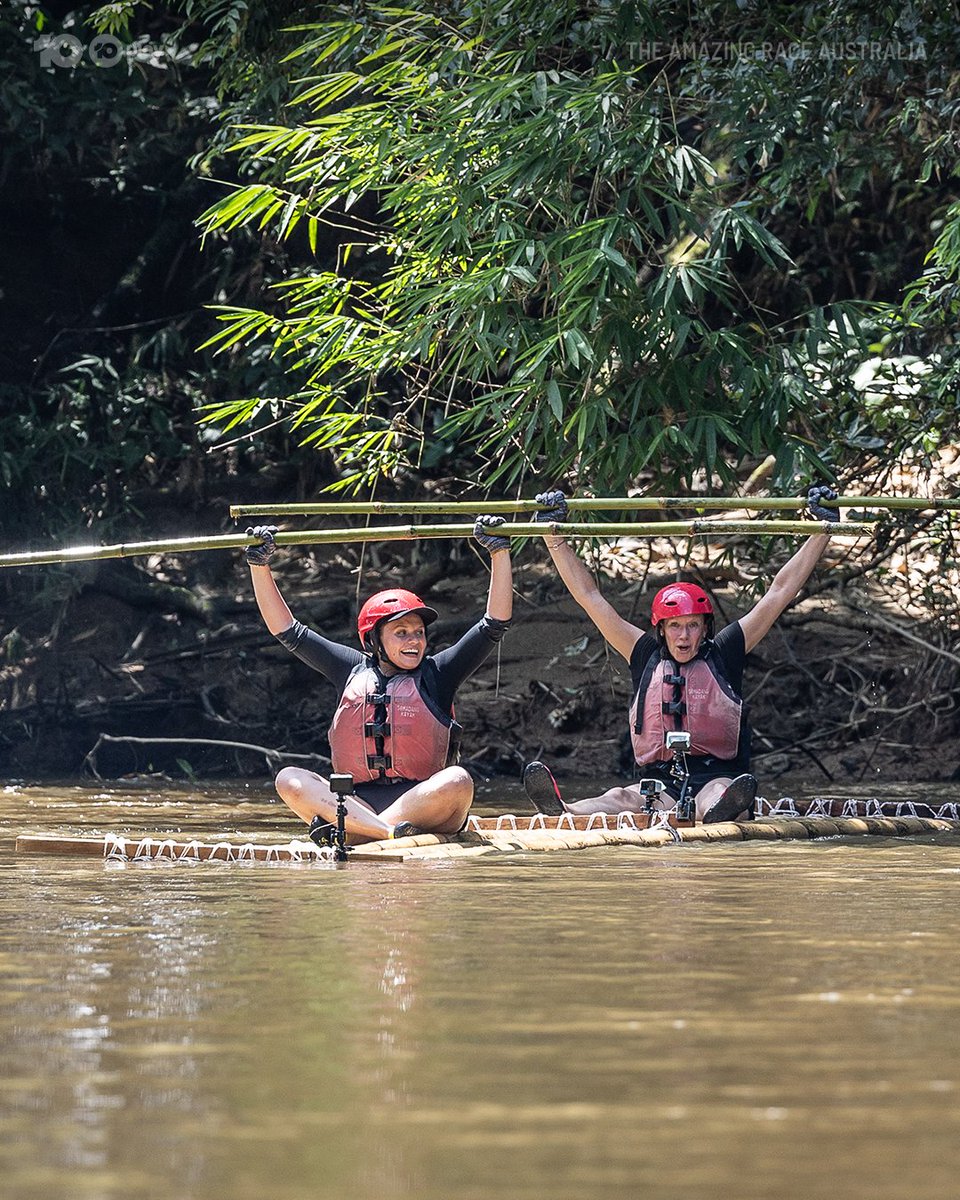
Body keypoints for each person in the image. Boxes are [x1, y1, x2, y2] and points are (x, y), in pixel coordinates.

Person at [522, 485, 840, 823]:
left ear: (705, 628)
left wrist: (823, 530)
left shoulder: (725, 651)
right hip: (661, 785)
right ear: (661, 629)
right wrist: (551, 534)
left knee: (715, 796)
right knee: (619, 796)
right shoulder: (643, 653)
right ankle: (565, 811)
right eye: (675, 626)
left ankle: (726, 810)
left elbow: (778, 593)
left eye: (692, 626)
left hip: (717, 777)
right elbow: (590, 596)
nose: (684, 635)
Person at [245, 516, 513, 844]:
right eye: (401, 633)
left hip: (426, 806)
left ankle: (355, 833)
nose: (414, 641)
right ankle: (382, 831)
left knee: (458, 781)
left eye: (418, 633)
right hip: (356, 804)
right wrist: (259, 565)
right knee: (289, 778)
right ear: (373, 641)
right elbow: (287, 630)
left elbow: (494, 624)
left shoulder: (438, 674)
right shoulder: (350, 671)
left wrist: (499, 553)